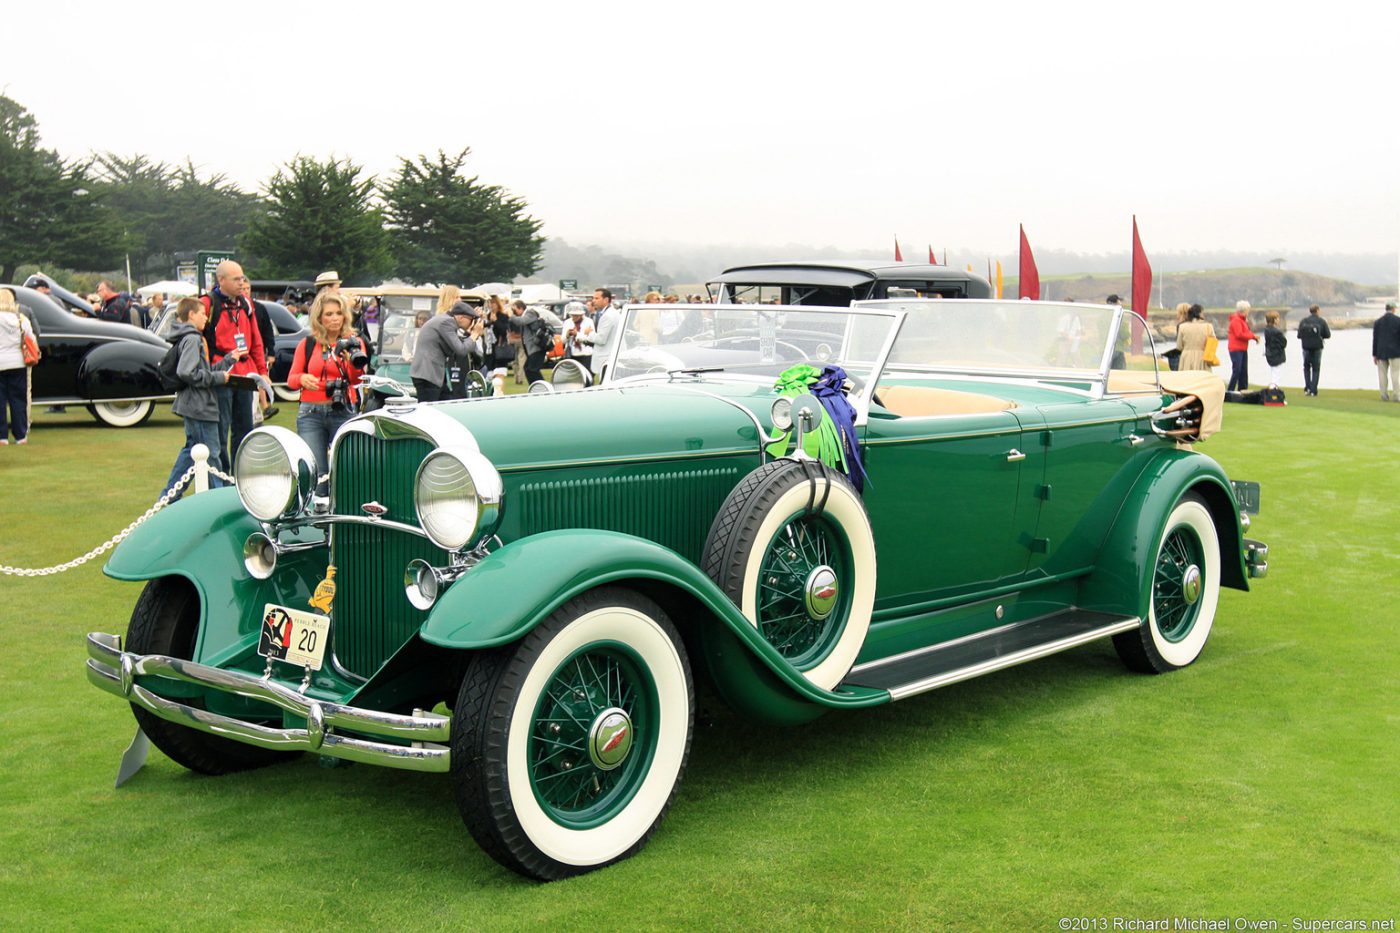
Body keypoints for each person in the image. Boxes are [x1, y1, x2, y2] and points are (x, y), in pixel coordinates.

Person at [160, 297, 245, 498]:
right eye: (202, 314)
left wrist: (228, 360)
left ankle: (169, 495)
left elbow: (200, 371)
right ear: (191, 314)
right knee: (211, 455)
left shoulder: (188, 337)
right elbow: (186, 372)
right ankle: (218, 501)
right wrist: (218, 377)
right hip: (199, 406)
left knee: (191, 453)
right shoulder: (192, 338)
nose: (206, 318)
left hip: (193, 404)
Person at [287, 290, 369, 494]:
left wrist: (351, 363)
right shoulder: (308, 344)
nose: (334, 319)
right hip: (311, 413)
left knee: (349, 469)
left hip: (343, 409)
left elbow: (358, 379)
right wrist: (303, 378)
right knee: (316, 473)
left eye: (338, 313)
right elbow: (291, 379)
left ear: (345, 316)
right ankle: (319, 517)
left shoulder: (353, 343)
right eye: (329, 314)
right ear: (319, 318)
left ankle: (345, 516)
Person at [202, 260, 268, 472]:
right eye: (236, 279)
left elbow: (256, 340)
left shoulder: (246, 303)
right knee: (221, 430)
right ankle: (221, 478)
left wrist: (262, 372)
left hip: (245, 373)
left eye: (242, 278)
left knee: (245, 429)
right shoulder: (208, 303)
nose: (242, 283)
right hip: (222, 373)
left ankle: (240, 475)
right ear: (221, 280)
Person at [410, 303, 480, 401]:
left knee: (446, 403)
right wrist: (475, 333)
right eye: (471, 320)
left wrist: (469, 334)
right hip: (428, 374)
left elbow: (453, 349)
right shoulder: (447, 322)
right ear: (461, 317)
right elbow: (461, 350)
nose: (472, 323)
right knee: (428, 411)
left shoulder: (444, 320)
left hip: (430, 374)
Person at [0, 288, 36, 446]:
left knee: (0, 401)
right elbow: (31, 339)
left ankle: (2, 437)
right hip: (18, 362)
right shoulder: (21, 319)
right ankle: (20, 435)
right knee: (18, 400)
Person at [242, 276, 279, 419]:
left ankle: (264, 406)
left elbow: (268, 332)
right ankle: (261, 407)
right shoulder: (236, 307)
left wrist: (271, 352)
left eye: (248, 289)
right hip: (243, 353)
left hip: (258, 351)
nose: (246, 291)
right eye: (243, 289)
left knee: (261, 378)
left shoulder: (259, 308)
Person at [575, 288, 620, 378]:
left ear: (606, 300)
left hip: (607, 360)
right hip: (611, 358)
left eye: (596, 298)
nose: (593, 301)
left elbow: (601, 340)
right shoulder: (612, 313)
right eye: (593, 298)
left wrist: (589, 333)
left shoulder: (607, 316)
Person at [507, 300, 553, 385]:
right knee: (527, 369)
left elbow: (521, 321)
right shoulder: (525, 315)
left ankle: (544, 388)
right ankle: (535, 386)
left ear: (521, 308)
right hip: (532, 349)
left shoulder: (530, 313)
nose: (514, 313)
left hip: (537, 348)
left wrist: (511, 315)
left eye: (515, 310)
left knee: (532, 369)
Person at [1296, 304, 1331, 396]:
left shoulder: (1304, 321)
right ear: (1318, 311)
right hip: (1317, 348)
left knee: (1307, 368)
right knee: (1316, 369)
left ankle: (1307, 387)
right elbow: (1328, 335)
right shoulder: (1321, 321)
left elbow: (1299, 335)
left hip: (1306, 347)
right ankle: (1313, 389)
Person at [1226, 300, 1260, 392]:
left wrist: (1253, 337)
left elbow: (1246, 332)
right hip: (1236, 348)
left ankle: (1243, 390)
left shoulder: (1243, 321)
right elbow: (1239, 334)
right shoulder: (1236, 321)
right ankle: (1230, 390)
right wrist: (1252, 336)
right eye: (1248, 310)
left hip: (1242, 348)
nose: (1248, 312)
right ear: (1244, 310)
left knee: (1243, 371)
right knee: (1237, 370)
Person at [1374, 302, 1400, 402]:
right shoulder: (1398, 321)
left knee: (1382, 374)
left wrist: (1374, 354)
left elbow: (1375, 339)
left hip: (1381, 352)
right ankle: (1397, 396)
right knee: (1395, 374)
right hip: (1395, 352)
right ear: (1393, 309)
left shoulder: (1378, 322)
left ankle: (1384, 395)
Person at [1175, 304, 1213, 371]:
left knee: (1188, 379)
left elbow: (1179, 346)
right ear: (1200, 314)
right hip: (1203, 357)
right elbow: (1213, 344)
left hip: (1186, 357)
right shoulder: (1208, 327)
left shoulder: (1182, 327)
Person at [1262, 310, 1286, 388]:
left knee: (1274, 373)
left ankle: (1274, 389)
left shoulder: (1267, 330)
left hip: (1270, 354)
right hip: (1277, 355)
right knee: (1277, 375)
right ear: (1274, 320)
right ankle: (1274, 390)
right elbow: (1284, 342)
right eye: (1277, 318)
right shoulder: (1276, 332)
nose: (1279, 320)